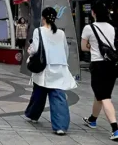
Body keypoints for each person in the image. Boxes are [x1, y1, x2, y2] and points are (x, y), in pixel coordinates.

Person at [23, 7, 77, 135]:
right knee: (58, 97)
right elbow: (65, 50)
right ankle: (60, 126)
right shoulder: (61, 33)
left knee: (39, 93)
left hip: (44, 68)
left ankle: (32, 115)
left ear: (43, 18)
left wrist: (29, 50)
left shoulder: (39, 31)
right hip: (59, 67)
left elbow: (35, 49)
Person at [80, 1, 118, 141]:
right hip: (111, 65)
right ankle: (92, 119)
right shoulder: (111, 27)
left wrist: (91, 46)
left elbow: (84, 48)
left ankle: (115, 129)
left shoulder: (88, 28)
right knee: (101, 94)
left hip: (98, 65)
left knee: (104, 97)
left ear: (94, 13)